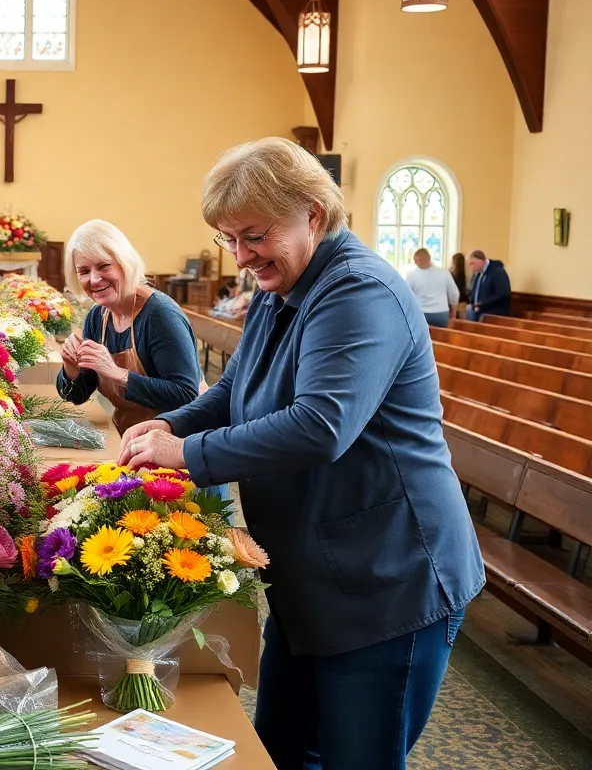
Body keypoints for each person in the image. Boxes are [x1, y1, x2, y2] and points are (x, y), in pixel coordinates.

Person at [119, 137, 483, 770]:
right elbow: (236, 390)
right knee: (283, 752)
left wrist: (187, 452)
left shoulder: (357, 292)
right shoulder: (279, 286)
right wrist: (164, 427)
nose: (241, 256)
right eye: (227, 239)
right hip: (313, 578)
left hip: (385, 582)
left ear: (313, 212)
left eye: (254, 235)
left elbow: (321, 425)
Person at [56, 219, 203, 435]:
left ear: (125, 263)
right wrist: (71, 368)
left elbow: (186, 395)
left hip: (177, 440)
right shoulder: (98, 317)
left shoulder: (160, 314)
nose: (94, 279)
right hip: (129, 434)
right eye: (84, 271)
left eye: (104, 266)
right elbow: (77, 395)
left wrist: (116, 373)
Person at [404, 248, 459, 328]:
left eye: (418, 260)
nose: (416, 262)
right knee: (442, 337)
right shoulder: (444, 273)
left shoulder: (411, 275)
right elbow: (454, 294)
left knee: (421, 339)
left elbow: (406, 295)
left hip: (420, 312)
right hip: (441, 313)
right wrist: (453, 312)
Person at [465, 249, 511, 321]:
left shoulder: (497, 271)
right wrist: (473, 303)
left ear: (481, 261)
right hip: (479, 309)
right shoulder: (478, 273)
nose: (471, 267)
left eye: (472, 263)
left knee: (481, 319)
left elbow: (503, 294)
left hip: (494, 310)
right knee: (468, 310)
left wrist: (481, 304)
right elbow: (474, 290)